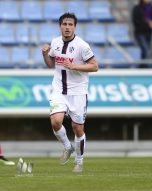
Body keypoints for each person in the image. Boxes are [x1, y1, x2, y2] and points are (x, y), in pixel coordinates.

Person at [42, 13, 98, 172]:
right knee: (55, 121)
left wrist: (75, 66)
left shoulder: (82, 46)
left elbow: (94, 66)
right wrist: (45, 54)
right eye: (64, 24)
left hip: (78, 92)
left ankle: (79, 161)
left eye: (70, 25)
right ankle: (67, 147)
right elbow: (50, 64)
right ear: (60, 26)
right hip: (59, 89)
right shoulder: (55, 42)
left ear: (75, 27)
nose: (67, 27)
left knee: (77, 128)